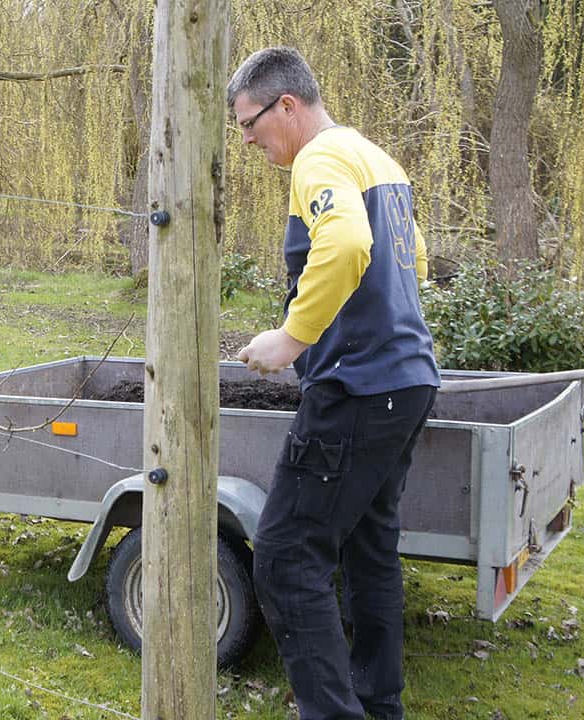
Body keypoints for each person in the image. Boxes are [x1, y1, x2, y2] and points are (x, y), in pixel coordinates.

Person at [230, 47, 439, 720]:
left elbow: (348, 245)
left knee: (287, 559)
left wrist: (292, 337)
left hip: (356, 390)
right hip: (406, 383)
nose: (248, 141)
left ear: (286, 105)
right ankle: (380, 706)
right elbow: (416, 264)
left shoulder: (318, 159)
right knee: (370, 549)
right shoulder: (375, 158)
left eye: (250, 123)